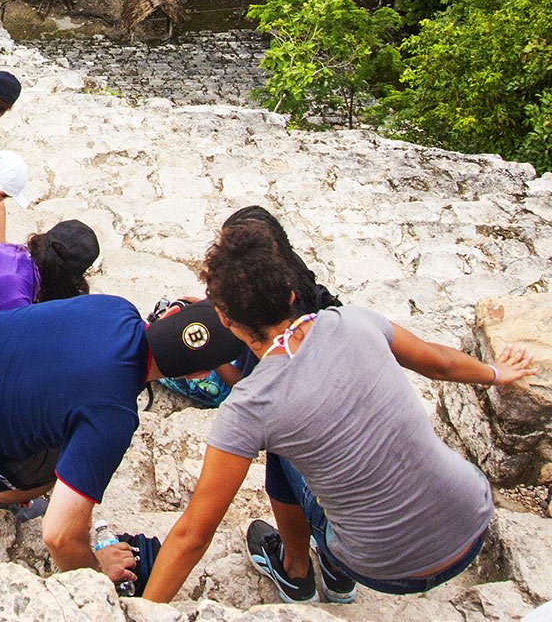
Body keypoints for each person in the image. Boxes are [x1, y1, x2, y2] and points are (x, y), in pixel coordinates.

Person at [141, 219, 535, 606]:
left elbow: (194, 534)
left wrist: (142, 612)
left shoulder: (251, 407)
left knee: (280, 451)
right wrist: (497, 374)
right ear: (291, 293)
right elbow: (440, 364)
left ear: (225, 319)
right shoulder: (355, 322)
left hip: (383, 569)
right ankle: (328, 571)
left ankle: (298, 569)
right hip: (471, 524)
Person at [0, 296, 247, 592]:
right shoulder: (112, 415)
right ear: (198, 375)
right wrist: (95, 571)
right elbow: (59, 536)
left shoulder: (114, 307)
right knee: (57, 472)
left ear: (169, 313)